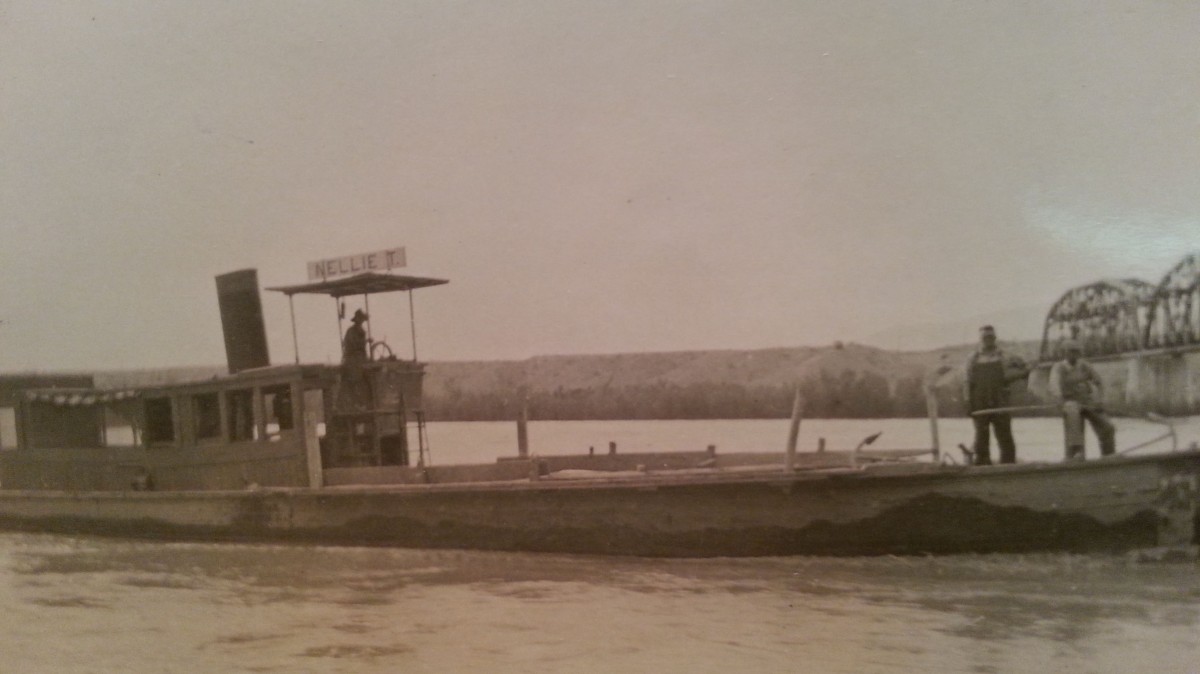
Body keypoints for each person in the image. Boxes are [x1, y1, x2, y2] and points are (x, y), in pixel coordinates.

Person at [963, 325, 1029, 465]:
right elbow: (967, 382)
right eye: (985, 338)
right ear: (980, 339)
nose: (988, 340)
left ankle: (1008, 465)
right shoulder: (973, 358)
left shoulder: (1005, 355)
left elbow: (1025, 368)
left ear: (994, 338)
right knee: (981, 435)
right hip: (979, 401)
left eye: (990, 337)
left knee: (1004, 433)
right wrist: (968, 401)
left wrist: (1015, 376)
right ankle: (982, 464)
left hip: (1000, 399)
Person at [1048, 339, 1115, 460]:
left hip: (1087, 401)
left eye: (1077, 352)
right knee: (1073, 415)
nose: (1075, 355)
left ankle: (1109, 455)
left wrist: (1100, 400)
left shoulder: (1084, 365)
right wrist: (1059, 400)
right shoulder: (1058, 368)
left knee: (1107, 426)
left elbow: (1099, 382)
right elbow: (1054, 386)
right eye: (1072, 352)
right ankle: (1077, 452)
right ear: (1065, 353)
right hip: (1070, 402)